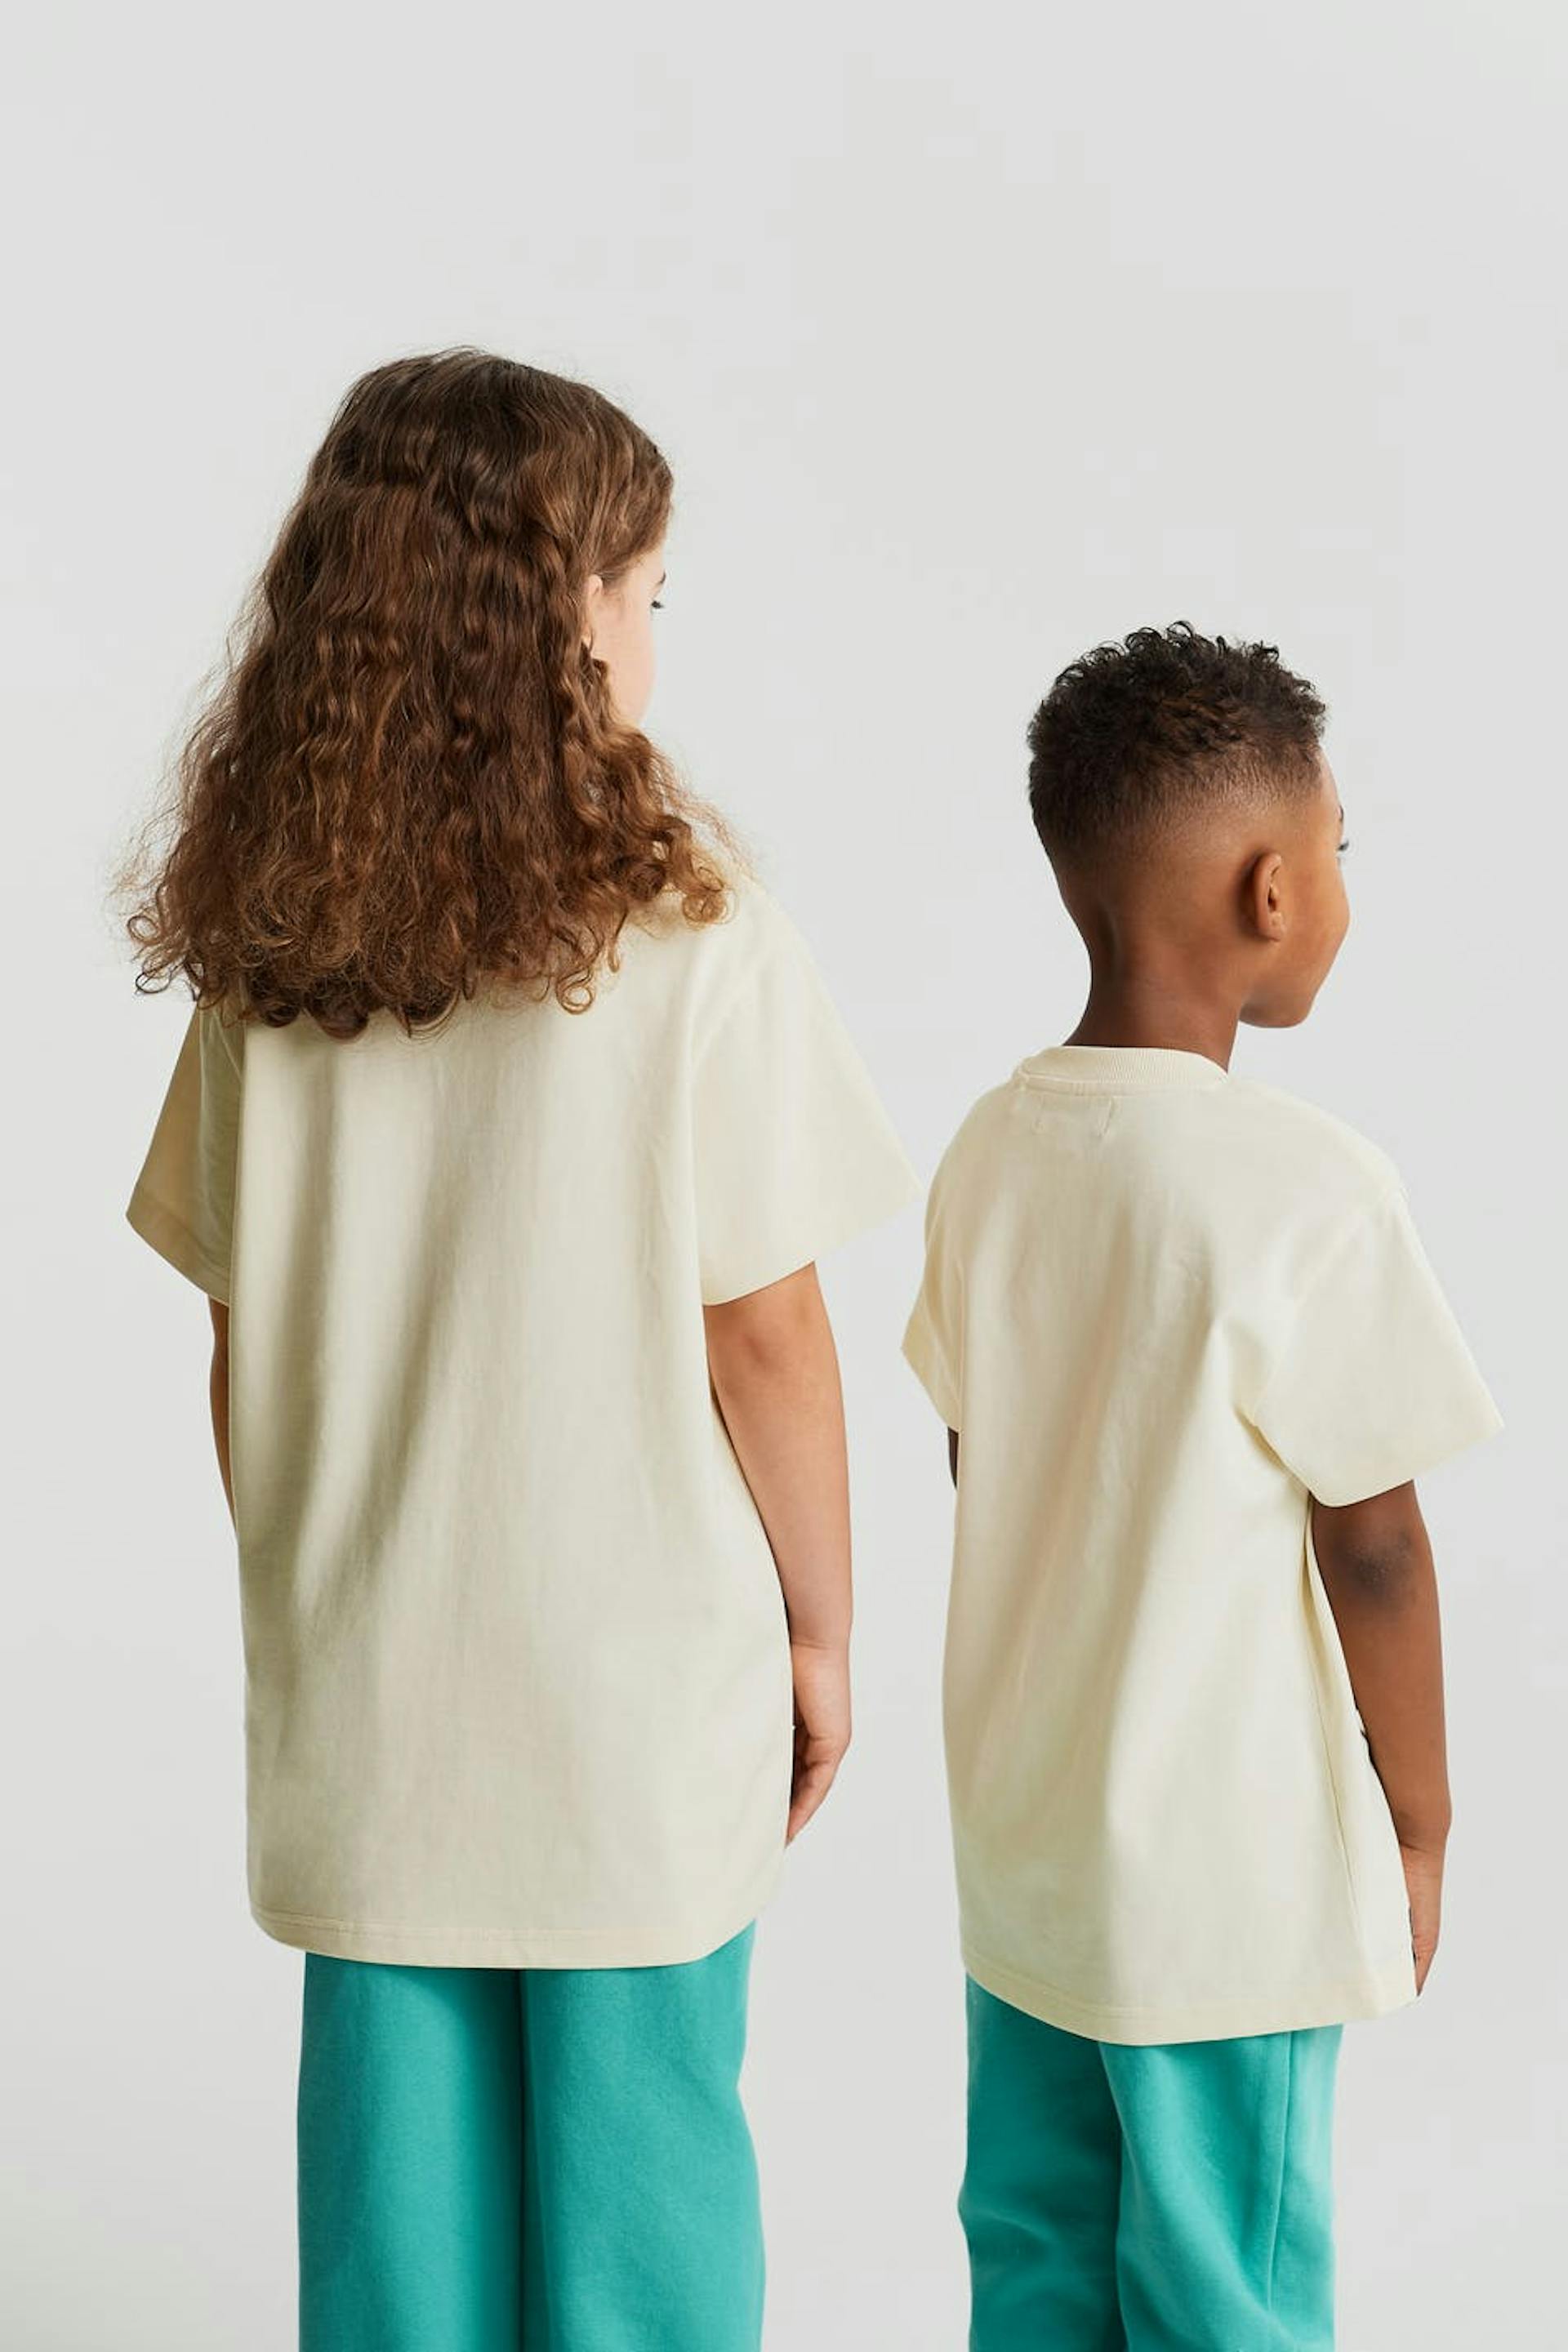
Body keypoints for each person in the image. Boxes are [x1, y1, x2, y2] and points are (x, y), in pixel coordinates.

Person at [118, 349, 917, 2352]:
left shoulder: (277, 954)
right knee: (647, 2246)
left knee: (397, 2258)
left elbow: (243, 1335)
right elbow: (770, 1337)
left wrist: (319, 1583)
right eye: (646, 592)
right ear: (560, 623)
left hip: (374, 1706)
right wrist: (823, 1633)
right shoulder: (700, 936)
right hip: (638, 1708)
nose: (656, 635)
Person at [902, 622, 1502, 2349]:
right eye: (1339, 852)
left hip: (1031, 1860)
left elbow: (985, 1464)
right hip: (1228, 1885)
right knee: (1226, 2290)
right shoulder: (1302, 1185)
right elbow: (1377, 1546)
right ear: (1270, 891)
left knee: (1038, 2265)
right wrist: (1420, 1820)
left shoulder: (993, 1151)